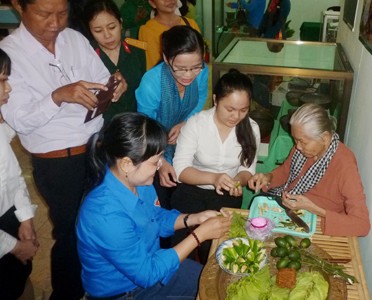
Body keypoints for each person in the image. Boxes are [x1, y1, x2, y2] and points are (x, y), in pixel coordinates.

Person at [0, 0, 127, 297]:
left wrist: (115, 83)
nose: (55, 23)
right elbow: (20, 120)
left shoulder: (74, 38)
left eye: (62, 13)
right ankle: (66, 294)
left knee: (99, 222)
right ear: (20, 6)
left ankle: (97, 286)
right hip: (57, 162)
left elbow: (101, 78)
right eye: (45, 14)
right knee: (71, 233)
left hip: (96, 147)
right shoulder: (10, 53)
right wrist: (57, 96)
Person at [76, 112, 231, 299]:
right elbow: (147, 274)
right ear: (126, 163)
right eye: (154, 162)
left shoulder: (139, 183)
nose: (159, 167)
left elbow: (155, 218)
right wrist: (200, 235)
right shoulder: (104, 214)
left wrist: (193, 219)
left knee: (217, 283)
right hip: (124, 293)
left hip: (152, 266)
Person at [171, 69, 260, 263]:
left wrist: (237, 182)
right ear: (215, 100)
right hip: (191, 192)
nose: (236, 116)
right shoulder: (196, 124)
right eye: (230, 109)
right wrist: (214, 178)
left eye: (243, 110)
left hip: (226, 198)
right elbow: (180, 170)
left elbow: (247, 170)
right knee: (182, 248)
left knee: (215, 254)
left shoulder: (251, 128)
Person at [248, 103, 370, 236]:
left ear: (325, 138)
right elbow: (286, 171)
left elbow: (362, 225)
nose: (298, 147)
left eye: (303, 142)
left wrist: (313, 208)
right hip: (290, 208)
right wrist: (268, 177)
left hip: (319, 223)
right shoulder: (302, 149)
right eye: (295, 140)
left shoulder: (345, 164)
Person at [136, 25, 208, 209]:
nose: (189, 75)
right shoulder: (151, 83)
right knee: (162, 199)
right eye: (181, 68)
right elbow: (145, 129)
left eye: (195, 67)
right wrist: (160, 162)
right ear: (167, 60)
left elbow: (199, 101)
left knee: (188, 198)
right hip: (153, 147)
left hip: (186, 140)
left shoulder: (202, 72)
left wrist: (185, 123)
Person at [0, 49, 39, 300]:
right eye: (2, 81)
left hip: (7, 216)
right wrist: (14, 247)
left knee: (19, 277)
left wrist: (25, 218)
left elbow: (13, 177)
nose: (9, 89)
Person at [83, 0, 146, 123]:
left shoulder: (138, 51)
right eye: (98, 31)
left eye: (112, 27)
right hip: (102, 130)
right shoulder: (86, 56)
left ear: (121, 23)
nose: (107, 36)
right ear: (89, 31)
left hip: (135, 125)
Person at [139, 0, 200, 70]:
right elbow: (153, 67)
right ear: (152, 3)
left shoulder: (191, 24)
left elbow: (200, 57)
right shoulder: (148, 30)